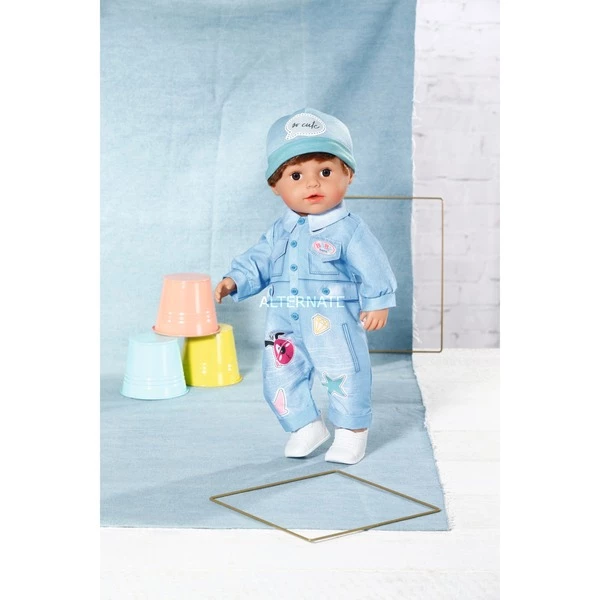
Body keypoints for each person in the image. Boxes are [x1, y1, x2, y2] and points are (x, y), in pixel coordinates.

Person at [214, 108, 397, 464]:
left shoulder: (348, 229)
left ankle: (351, 431)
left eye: (325, 172)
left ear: (348, 175)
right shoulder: (280, 231)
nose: (312, 184)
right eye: (296, 175)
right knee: (279, 377)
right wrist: (235, 279)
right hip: (283, 322)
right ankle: (304, 425)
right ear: (275, 185)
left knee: (345, 372)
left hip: (333, 321)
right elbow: (260, 258)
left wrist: (378, 300)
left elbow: (373, 264)